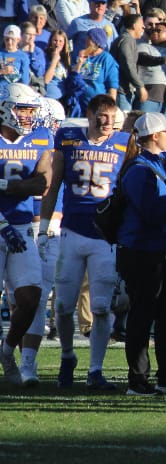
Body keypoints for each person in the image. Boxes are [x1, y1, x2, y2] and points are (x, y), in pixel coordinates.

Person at [44, 94, 129, 391]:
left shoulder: (124, 142)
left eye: (111, 116)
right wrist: (44, 225)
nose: (106, 122)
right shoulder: (67, 138)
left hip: (105, 236)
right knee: (64, 306)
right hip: (71, 230)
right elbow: (53, 184)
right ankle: (68, 356)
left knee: (102, 307)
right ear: (90, 114)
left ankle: (96, 369)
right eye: (101, 116)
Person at [115, 112, 166, 396]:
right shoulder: (139, 169)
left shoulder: (156, 163)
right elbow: (151, 211)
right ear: (155, 136)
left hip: (161, 248)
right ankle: (138, 379)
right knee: (143, 314)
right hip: (141, 250)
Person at [0, 84, 54, 387]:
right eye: (22, 109)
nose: (27, 116)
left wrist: (4, 187)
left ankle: (7, 352)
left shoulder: (41, 138)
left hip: (20, 227)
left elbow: (40, 185)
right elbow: (31, 184)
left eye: (31, 110)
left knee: (31, 295)